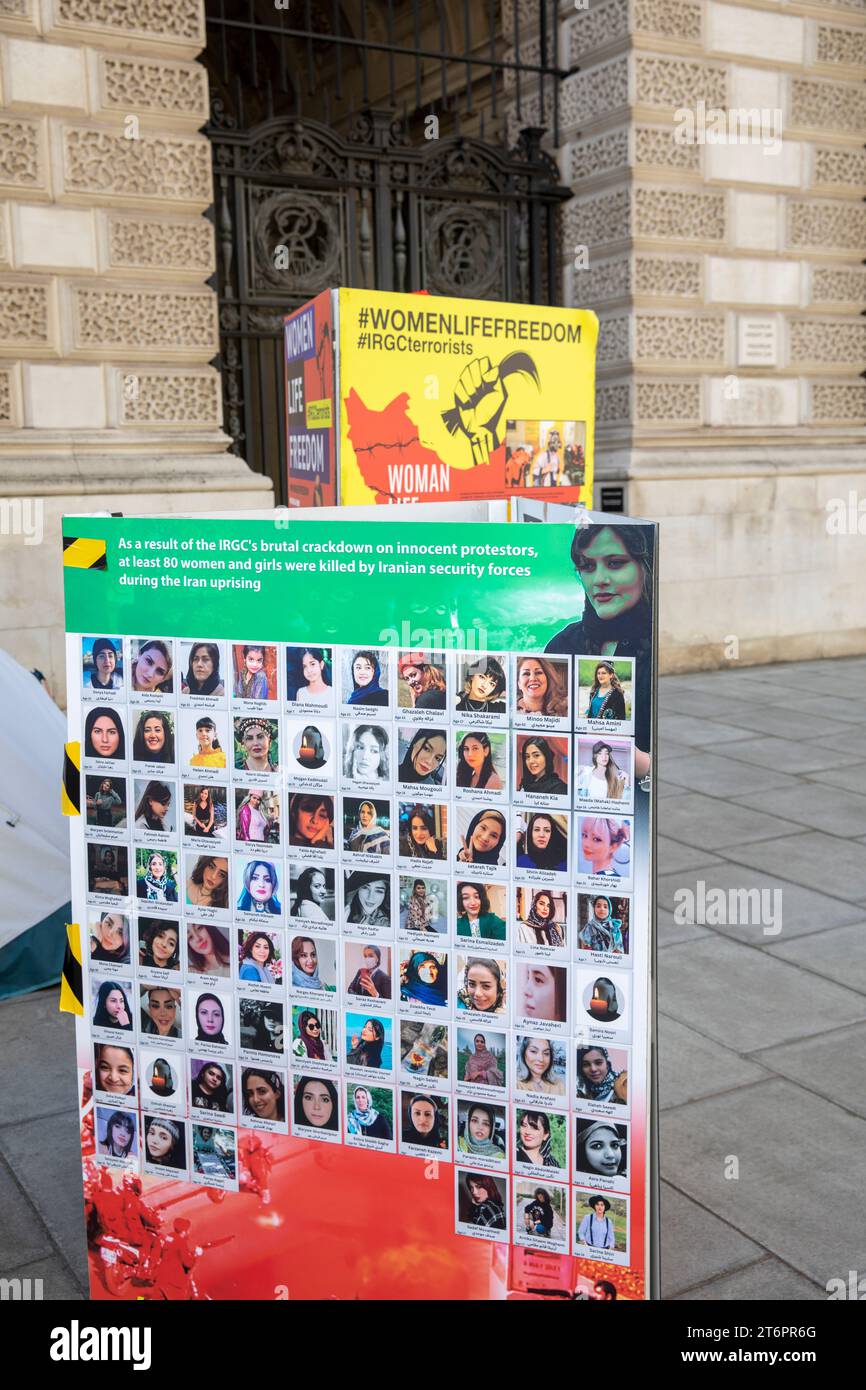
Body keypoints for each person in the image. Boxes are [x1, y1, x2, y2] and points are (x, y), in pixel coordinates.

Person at [546, 524, 654, 775]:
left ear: (645, 567)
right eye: (587, 566)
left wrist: (641, 764)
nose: (599, 580)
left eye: (615, 563)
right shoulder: (563, 644)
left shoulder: (663, 644)